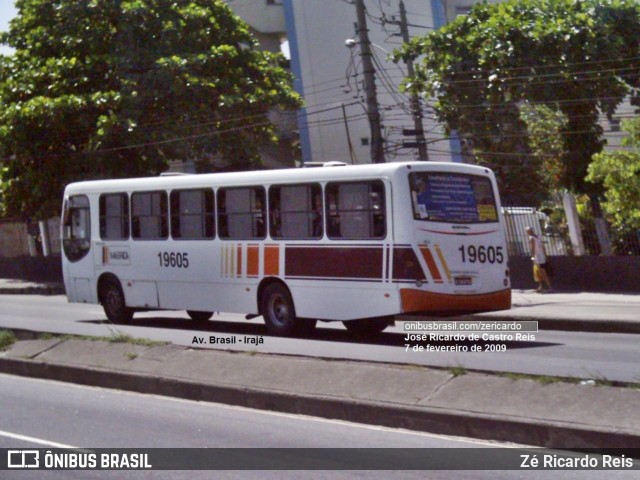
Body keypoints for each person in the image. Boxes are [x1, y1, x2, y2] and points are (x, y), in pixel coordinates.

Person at [526, 226, 552, 293]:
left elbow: (532, 248)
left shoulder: (531, 238)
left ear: (529, 231)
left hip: (537, 257)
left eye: (527, 231)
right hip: (542, 256)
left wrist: (532, 257)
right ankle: (540, 286)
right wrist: (545, 256)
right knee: (537, 272)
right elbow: (543, 247)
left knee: (542, 272)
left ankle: (549, 287)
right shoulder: (538, 237)